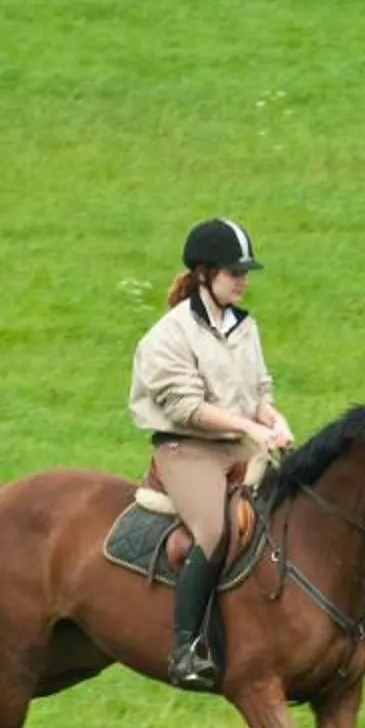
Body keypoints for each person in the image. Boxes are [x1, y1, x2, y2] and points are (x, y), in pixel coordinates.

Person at [129, 217, 296, 689]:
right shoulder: (169, 335)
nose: (242, 280)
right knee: (213, 529)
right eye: (233, 272)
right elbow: (185, 406)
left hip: (239, 442)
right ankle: (186, 648)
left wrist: (272, 419)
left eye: (244, 272)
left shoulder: (244, 327)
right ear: (204, 273)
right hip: (187, 449)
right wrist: (247, 425)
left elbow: (258, 389)